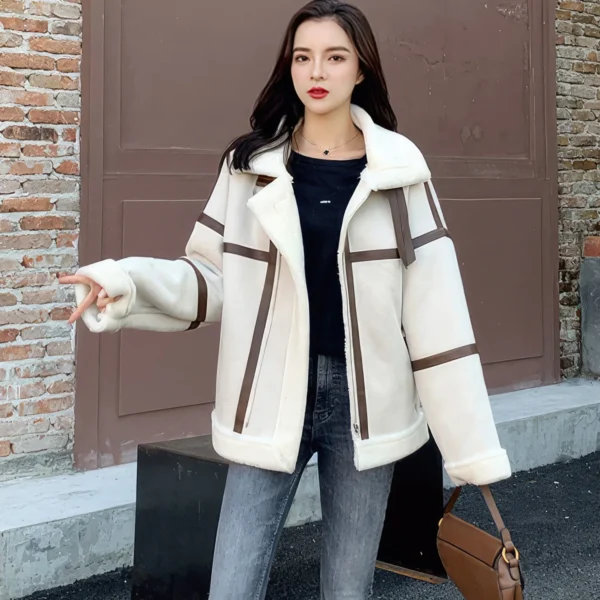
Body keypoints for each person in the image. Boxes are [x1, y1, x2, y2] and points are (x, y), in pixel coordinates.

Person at [60, 1, 512, 598]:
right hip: (271, 392)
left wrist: (470, 449)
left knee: (347, 589)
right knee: (232, 584)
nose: (316, 71)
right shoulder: (249, 166)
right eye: (303, 57)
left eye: (335, 56)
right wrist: (129, 281)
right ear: (289, 66)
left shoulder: (399, 171)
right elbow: (212, 276)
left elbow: (436, 312)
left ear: (362, 69)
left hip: (366, 400)